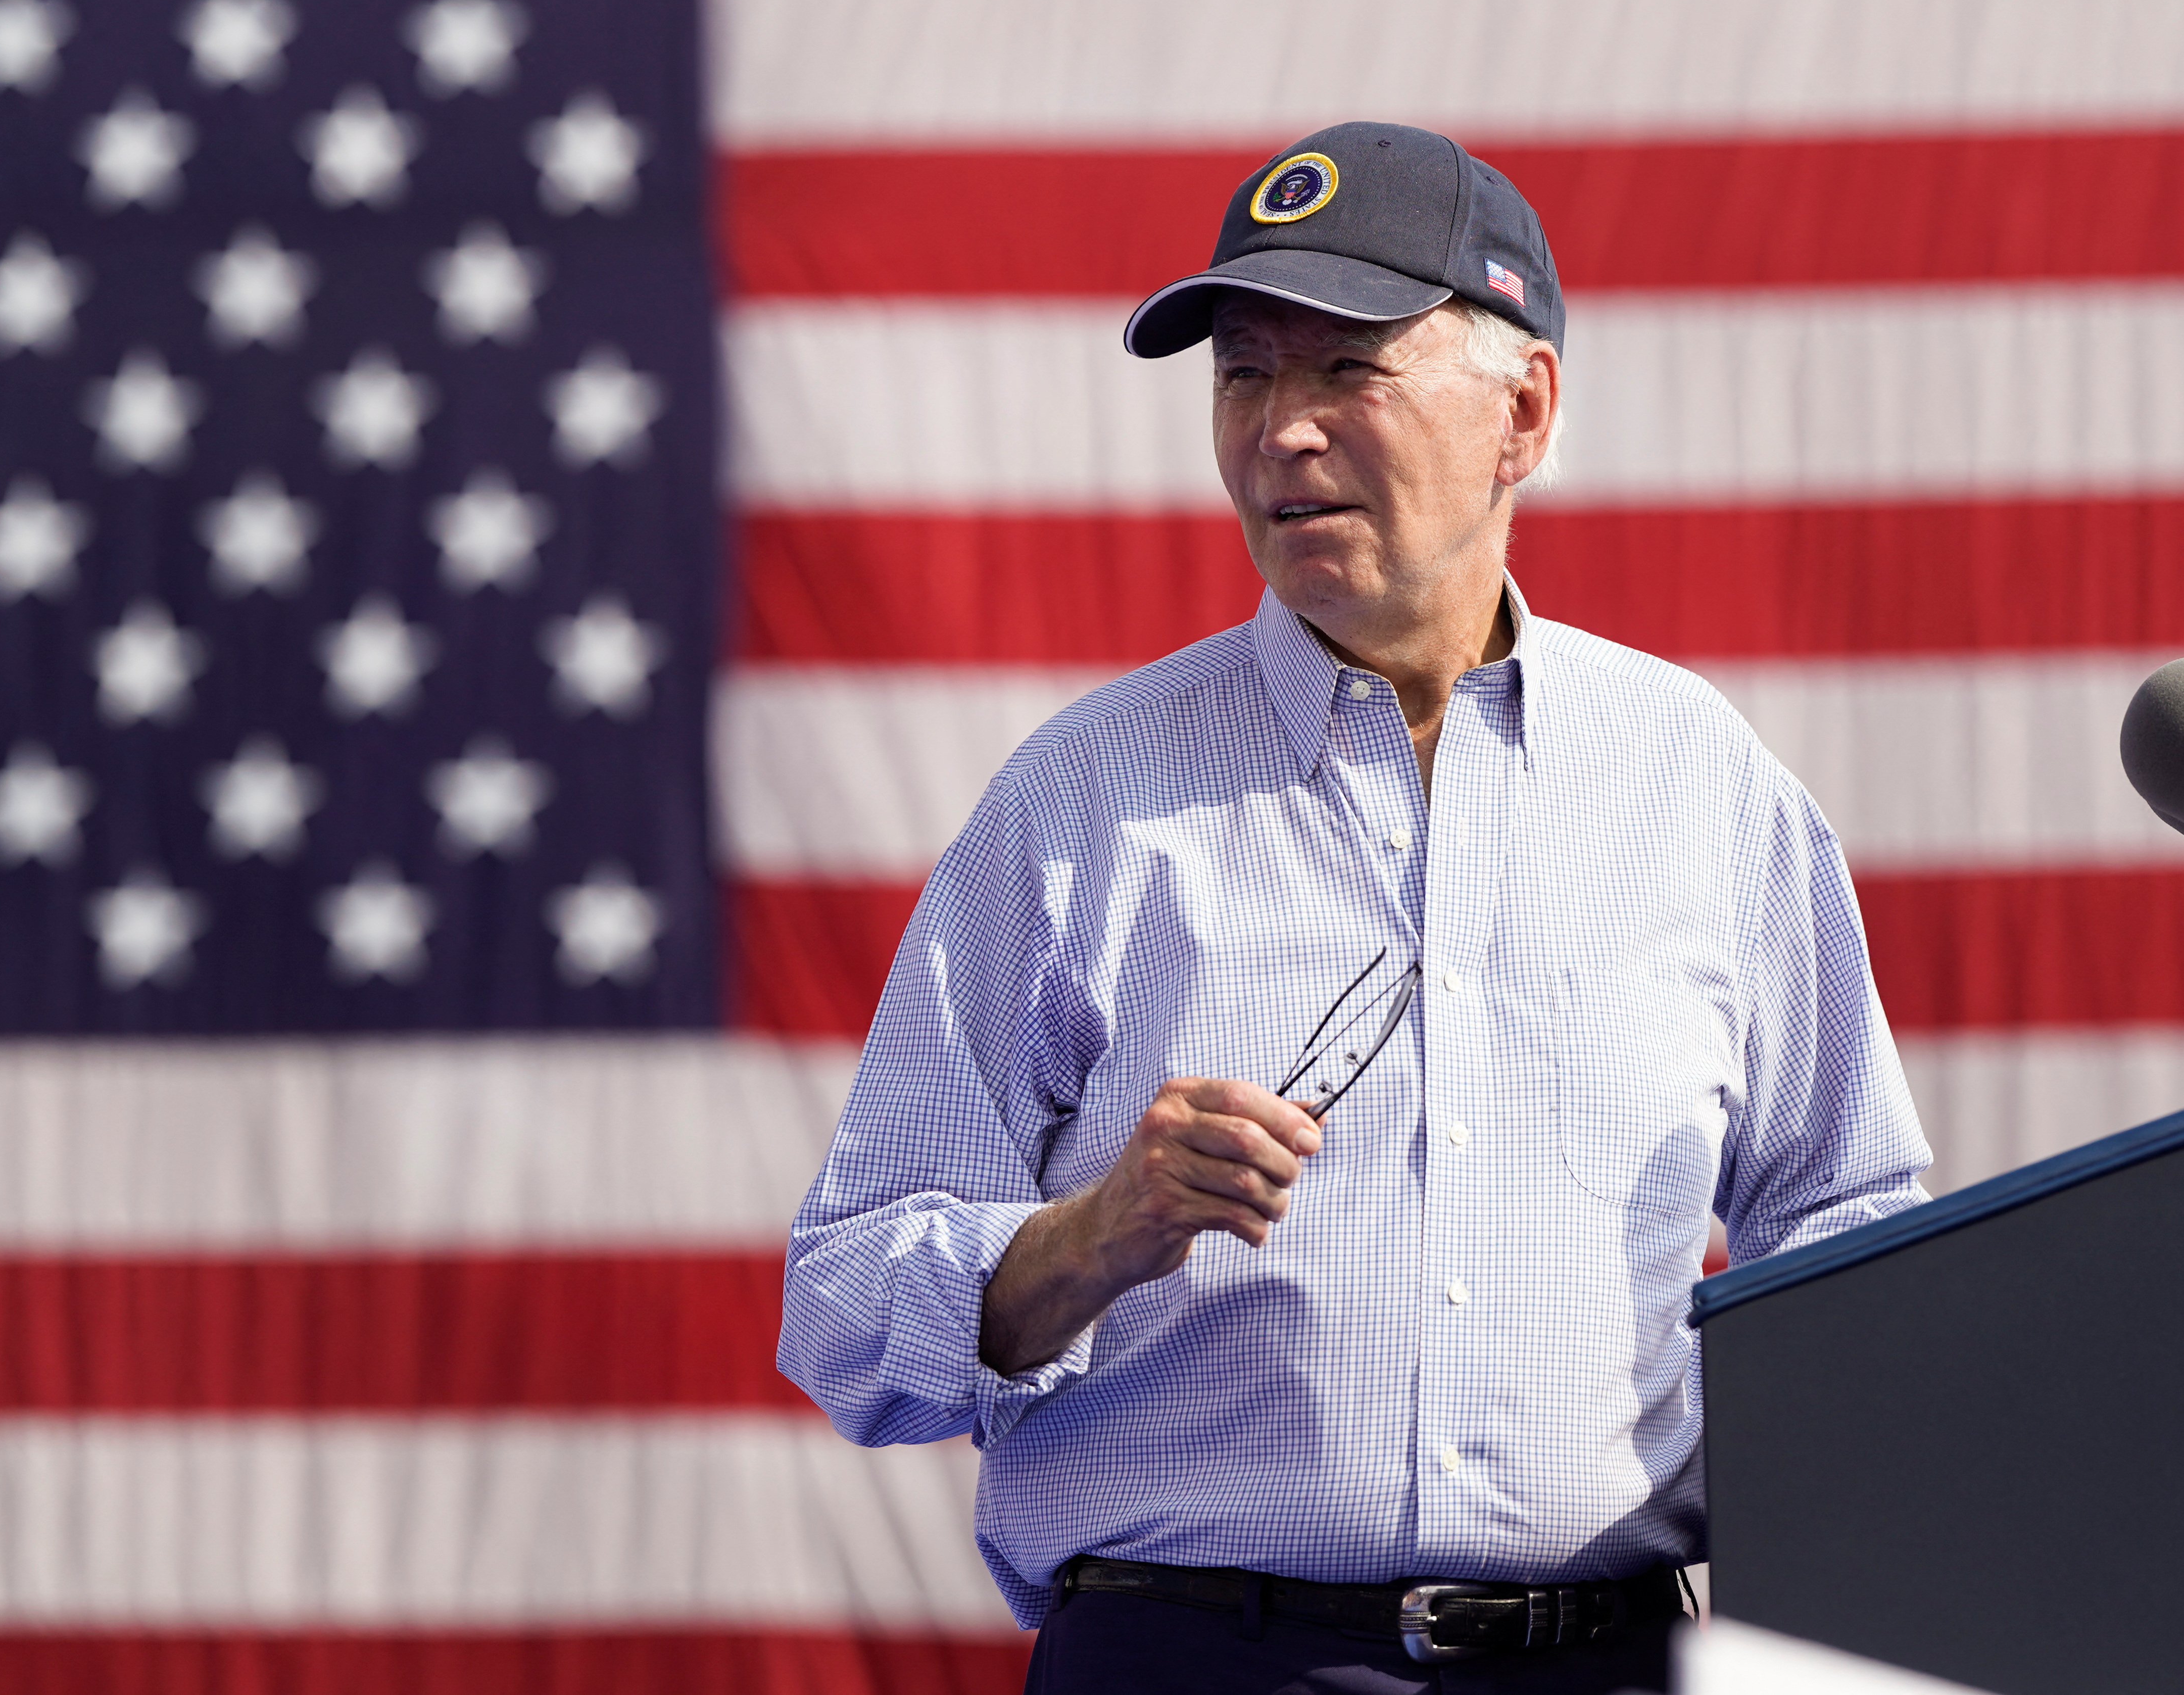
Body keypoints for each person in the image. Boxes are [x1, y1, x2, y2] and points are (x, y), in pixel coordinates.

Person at [779, 121, 1933, 1693]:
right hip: (1191, 1656)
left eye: (1346, 373)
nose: (1283, 435)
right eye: (1245, 376)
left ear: (1520, 413)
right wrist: (1088, 1237)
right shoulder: (1079, 801)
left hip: (1603, 1663)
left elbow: (1864, 1243)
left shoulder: (1701, 786)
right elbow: (845, 1306)